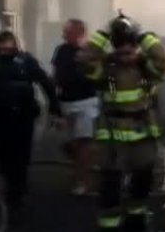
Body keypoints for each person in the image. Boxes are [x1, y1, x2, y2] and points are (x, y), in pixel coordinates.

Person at [78, 12, 165, 231]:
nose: (125, 51)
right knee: (110, 187)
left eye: (130, 45)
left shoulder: (147, 68)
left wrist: (142, 34)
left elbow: (162, 59)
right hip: (112, 139)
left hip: (143, 135)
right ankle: (109, 225)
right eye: (120, 45)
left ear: (136, 46)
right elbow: (84, 59)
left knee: (142, 183)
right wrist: (104, 33)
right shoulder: (104, 69)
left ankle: (136, 221)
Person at [0, 31, 61, 223]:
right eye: (2, 47)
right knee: (0, 154)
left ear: (14, 45)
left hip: (23, 118)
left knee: (20, 159)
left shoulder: (26, 62)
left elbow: (45, 83)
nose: (5, 50)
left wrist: (55, 109)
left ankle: (16, 196)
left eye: (8, 46)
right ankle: (9, 179)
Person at [51, 19, 99, 196]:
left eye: (67, 32)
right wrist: (54, 105)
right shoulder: (61, 51)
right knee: (74, 143)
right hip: (67, 102)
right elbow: (56, 77)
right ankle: (79, 167)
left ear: (79, 33)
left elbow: (102, 75)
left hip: (86, 102)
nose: (64, 35)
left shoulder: (92, 51)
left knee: (83, 142)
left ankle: (83, 180)